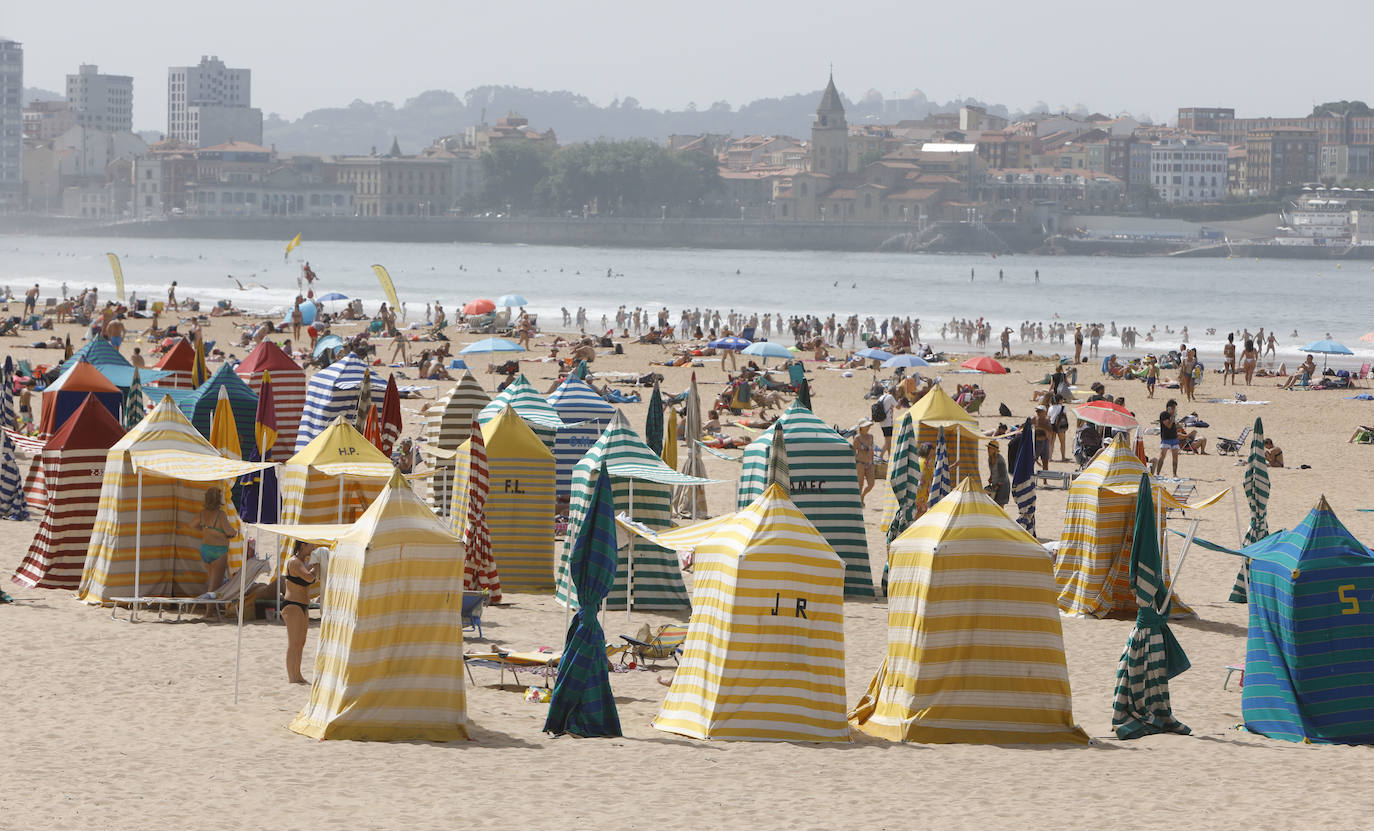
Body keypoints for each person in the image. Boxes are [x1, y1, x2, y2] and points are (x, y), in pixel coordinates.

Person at [282, 540, 319, 684]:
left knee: (301, 643)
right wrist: (316, 565)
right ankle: (292, 677)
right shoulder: (294, 562)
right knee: (293, 643)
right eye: (311, 545)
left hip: (303, 605)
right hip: (292, 605)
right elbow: (309, 578)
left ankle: (298, 674)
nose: (313, 547)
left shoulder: (304, 562)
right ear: (302, 545)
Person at [193, 486, 236, 596]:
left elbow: (192, 525)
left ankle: (210, 609)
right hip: (219, 551)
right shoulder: (221, 515)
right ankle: (208, 612)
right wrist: (236, 532)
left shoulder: (203, 513)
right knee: (214, 586)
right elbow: (229, 531)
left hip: (205, 549)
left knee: (212, 581)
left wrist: (206, 529)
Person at [1153, 399, 1180, 477]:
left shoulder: (1172, 416)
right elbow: (1168, 425)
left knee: (1175, 457)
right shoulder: (1164, 414)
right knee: (1162, 456)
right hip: (1166, 438)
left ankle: (1174, 474)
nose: (1175, 409)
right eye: (1173, 407)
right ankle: (1157, 473)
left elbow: (1173, 425)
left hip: (1174, 437)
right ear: (1169, 408)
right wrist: (1172, 416)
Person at [852, 420, 878, 504]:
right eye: (866, 426)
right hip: (860, 463)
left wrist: (873, 462)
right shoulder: (857, 438)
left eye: (869, 426)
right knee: (860, 484)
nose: (868, 428)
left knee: (871, 484)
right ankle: (859, 501)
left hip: (869, 463)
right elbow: (853, 451)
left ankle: (862, 496)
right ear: (861, 428)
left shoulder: (871, 436)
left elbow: (872, 450)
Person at [985, 440, 1010, 506]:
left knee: (1000, 506)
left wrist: (997, 487)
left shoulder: (1000, 460)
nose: (988, 450)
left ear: (994, 450)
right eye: (988, 448)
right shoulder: (990, 459)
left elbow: (1003, 475)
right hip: (995, 483)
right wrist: (990, 478)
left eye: (990, 448)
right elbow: (993, 471)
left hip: (1003, 485)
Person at [877, 387, 898, 456]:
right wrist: (901, 400)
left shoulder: (881, 397)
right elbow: (898, 407)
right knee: (888, 441)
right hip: (888, 422)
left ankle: (889, 457)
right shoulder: (890, 397)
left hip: (882, 421)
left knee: (888, 440)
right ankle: (881, 456)